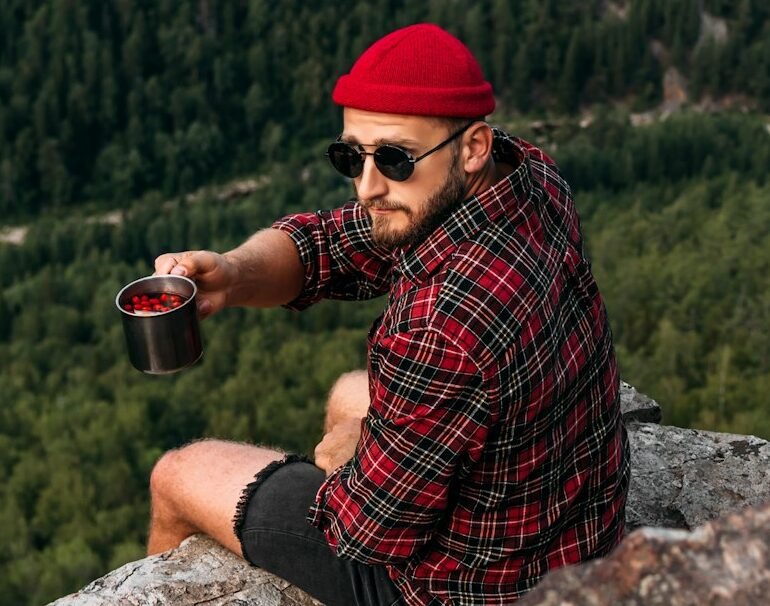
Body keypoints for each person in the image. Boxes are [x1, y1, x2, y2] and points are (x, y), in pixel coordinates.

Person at [147, 23, 630, 606]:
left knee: (177, 474)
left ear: (472, 145)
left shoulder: (445, 324)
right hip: (573, 534)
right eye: (351, 155)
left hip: (467, 590)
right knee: (353, 390)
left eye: (396, 159)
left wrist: (355, 455)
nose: (367, 187)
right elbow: (337, 241)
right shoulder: (528, 178)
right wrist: (233, 272)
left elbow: (366, 530)